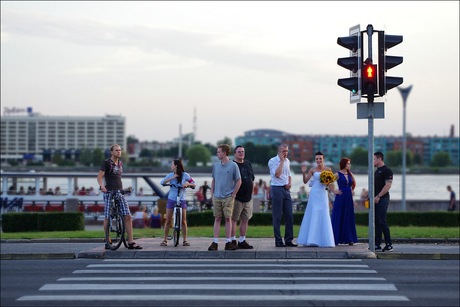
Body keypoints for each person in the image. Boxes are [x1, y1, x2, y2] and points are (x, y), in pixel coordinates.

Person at [97, 144, 142, 250]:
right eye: (116, 150)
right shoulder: (107, 163)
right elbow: (99, 177)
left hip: (119, 192)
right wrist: (102, 186)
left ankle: (131, 242)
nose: (119, 152)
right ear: (111, 152)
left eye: (120, 150)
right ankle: (107, 241)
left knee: (128, 216)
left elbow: (117, 178)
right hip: (109, 192)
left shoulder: (120, 163)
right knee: (107, 216)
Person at [297, 152, 335, 247]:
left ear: (323, 159)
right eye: (317, 159)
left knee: (324, 213)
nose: (318, 160)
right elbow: (305, 181)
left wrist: (331, 188)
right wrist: (303, 172)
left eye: (320, 158)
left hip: (323, 194)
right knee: (313, 213)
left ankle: (325, 240)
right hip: (314, 193)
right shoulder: (312, 169)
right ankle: (311, 240)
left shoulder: (328, 169)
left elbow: (330, 184)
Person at [208, 144, 242, 251]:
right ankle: (215, 242)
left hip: (228, 197)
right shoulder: (216, 166)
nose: (217, 154)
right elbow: (213, 180)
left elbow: (239, 181)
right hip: (217, 196)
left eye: (219, 152)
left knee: (228, 218)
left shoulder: (233, 166)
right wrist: (212, 193)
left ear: (225, 153)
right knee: (217, 218)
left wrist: (233, 194)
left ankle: (228, 242)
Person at [160, 159, 196, 246]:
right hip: (171, 199)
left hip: (182, 199)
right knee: (168, 220)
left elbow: (193, 183)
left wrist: (187, 184)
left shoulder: (185, 175)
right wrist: (172, 178)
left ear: (176, 165)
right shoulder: (170, 175)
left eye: (172, 164)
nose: (171, 166)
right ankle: (165, 240)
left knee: (183, 221)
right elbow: (162, 182)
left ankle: (184, 240)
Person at [268, 144, 297, 247]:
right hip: (276, 189)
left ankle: (289, 239)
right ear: (279, 151)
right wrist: (281, 162)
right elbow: (277, 174)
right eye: (284, 151)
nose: (285, 153)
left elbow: (289, 174)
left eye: (287, 151)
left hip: (286, 190)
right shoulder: (272, 161)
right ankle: (278, 240)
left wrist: (290, 183)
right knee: (277, 216)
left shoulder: (288, 161)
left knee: (289, 215)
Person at [231, 145, 255, 249]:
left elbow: (252, 178)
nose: (241, 153)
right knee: (234, 220)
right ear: (234, 153)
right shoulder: (232, 165)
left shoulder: (248, 163)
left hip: (248, 197)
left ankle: (242, 240)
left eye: (242, 151)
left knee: (245, 219)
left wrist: (252, 192)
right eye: (239, 152)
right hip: (236, 197)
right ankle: (232, 240)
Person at [330, 158, 358, 246]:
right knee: (339, 215)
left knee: (348, 216)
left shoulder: (350, 174)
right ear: (344, 164)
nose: (350, 165)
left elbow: (353, 184)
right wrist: (334, 191)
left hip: (349, 197)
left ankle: (350, 239)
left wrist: (352, 190)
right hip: (341, 197)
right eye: (348, 164)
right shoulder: (337, 174)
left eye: (350, 164)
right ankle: (336, 238)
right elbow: (328, 182)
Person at [374, 151, 393, 252]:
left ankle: (389, 244)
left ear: (379, 159)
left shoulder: (387, 170)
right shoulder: (377, 171)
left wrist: (379, 196)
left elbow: (388, 185)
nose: (372, 161)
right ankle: (377, 244)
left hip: (383, 199)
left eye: (373, 159)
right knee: (376, 222)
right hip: (375, 199)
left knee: (382, 221)